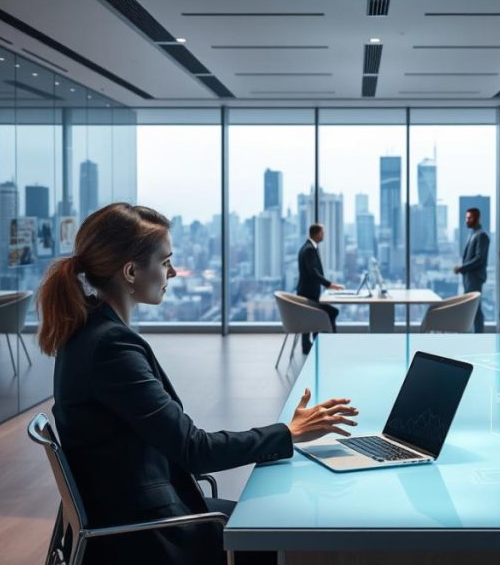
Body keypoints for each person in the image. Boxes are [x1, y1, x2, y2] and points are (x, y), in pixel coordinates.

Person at [39, 203, 358, 565]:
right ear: (130, 271)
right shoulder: (110, 348)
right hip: (149, 535)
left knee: (277, 519)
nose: (172, 272)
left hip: (130, 513)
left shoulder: (89, 332)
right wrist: (288, 432)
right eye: (165, 262)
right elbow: (195, 450)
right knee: (291, 534)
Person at [296, 223, 344, 354]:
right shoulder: (309, 250)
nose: (324, 235)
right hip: (308, 294)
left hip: (307, 293)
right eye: (322, 233)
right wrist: (329, 284)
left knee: (314, 316)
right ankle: (326, 344)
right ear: (316, 234)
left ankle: (313, 344)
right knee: (332, 312)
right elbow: (313, 273)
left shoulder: (306, 247)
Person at [453, 207, 489, 333]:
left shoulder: (482, 235)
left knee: (475, 308)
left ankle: (479, 335)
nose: (466, 221)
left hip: (475, 278)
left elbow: (479, 259)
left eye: (469, 218)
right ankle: (476, 334)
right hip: (469, 277)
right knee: (473, 308)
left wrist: (462, 267)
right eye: (466, 218)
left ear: (476, 218)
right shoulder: (473, 234)